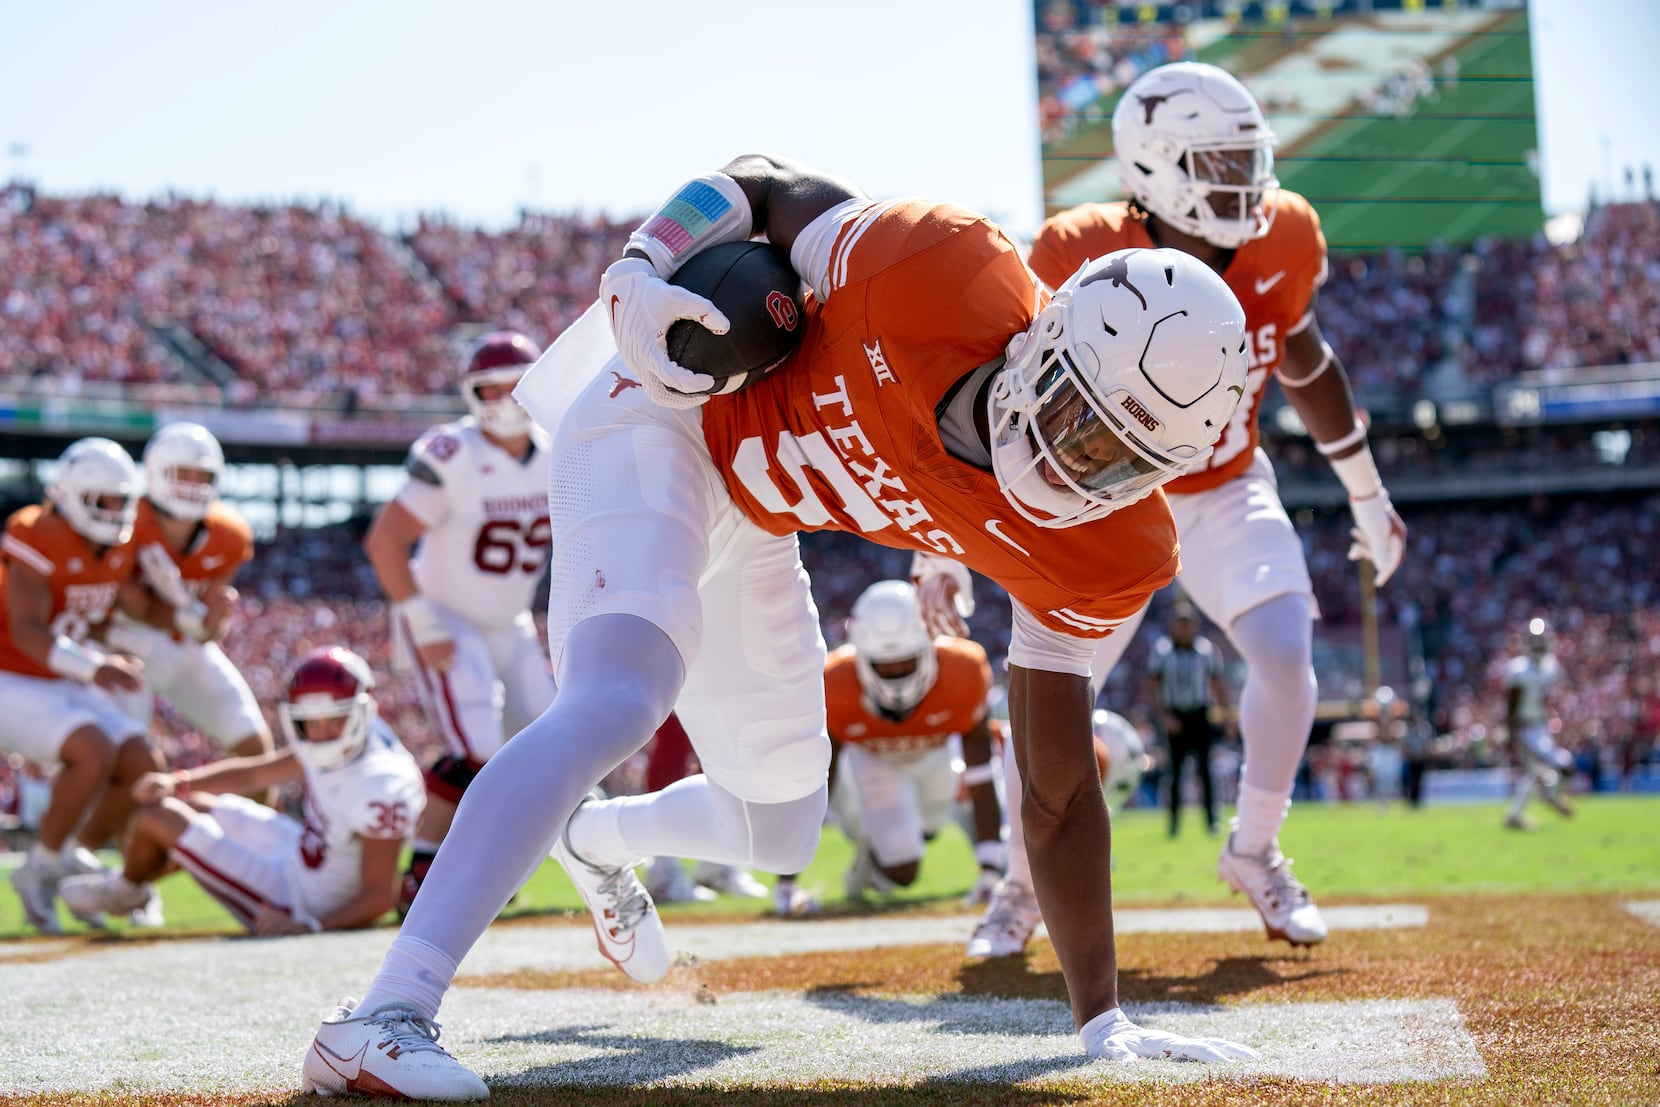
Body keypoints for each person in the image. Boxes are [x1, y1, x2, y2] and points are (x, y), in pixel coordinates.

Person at [303, 153, 1257, 1099]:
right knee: (620, 697)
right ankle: (384, 1014)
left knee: (779, 828)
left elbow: (1054, 789)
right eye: (1075, 413)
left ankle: (595, 838)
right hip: (667, 420)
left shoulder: (1112, 547)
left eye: (1117, 458)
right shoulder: (937, 266)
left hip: (758, 513)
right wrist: (643, 263)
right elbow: (760, 183)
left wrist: (1101, 1019)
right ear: (1045, 335)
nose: (1072, 465)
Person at [944, 60, 1407, 956]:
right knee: (1050, 697)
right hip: (1106, 502)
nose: (1246, 187)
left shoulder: (1285, 237)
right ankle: (1018, 883)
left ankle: (1256, 847)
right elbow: (995, 393)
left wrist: (1368, 490)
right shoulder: (1073, 249)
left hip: (1229, 482)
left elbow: (1304, 361)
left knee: (1284, 650)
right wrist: (942, 545)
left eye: (1248, 162)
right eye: (1220, 167)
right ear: (1155, 170)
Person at [360, 331, 558, 915]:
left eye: (513, 385)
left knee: (563, 740)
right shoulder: (456, 453)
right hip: (448, 620)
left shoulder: (558, 448)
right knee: (478, 747)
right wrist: (424, 623)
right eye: (488, 389)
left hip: (512, 622)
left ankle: (458, 863)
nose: (502, 399)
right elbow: (386, 540)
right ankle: (433, 870)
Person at [61, 645, 425, 934]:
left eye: (334, 721)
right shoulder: (361, 736)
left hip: (303, 900)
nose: (322, 732)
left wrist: (308, 925)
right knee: (191, 802)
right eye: (310, 723)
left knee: (160, 816)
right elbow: (256, 775)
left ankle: (124, 890)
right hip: (298, 853)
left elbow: (381, 895)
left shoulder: (382, 784)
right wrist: (179, 781)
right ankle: (131, 886)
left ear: (361, 712)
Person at [0, 438, 164, 933]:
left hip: (60, 678)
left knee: (142, 764)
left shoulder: (119, 547)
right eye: (103, 501)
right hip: (11, 675)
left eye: (121, 500)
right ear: (71, 497)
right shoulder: (35, 530)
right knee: (92, 749)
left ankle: (77, 858)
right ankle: (40, 868)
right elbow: (28, 629)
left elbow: (91, 616)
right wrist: (95, 667)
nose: (115, 512)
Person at [105, 423, 268, 786]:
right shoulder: (124, 523)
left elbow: (210, 629)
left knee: (256, 751)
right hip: (125, 646)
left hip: (186, 645)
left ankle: (251, 838)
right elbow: (135, 607)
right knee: (133, 762)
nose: (192, 483)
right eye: (183, 473)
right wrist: (181, 611)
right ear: (156, 472)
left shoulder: (229, 534)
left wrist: (209, 618)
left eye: (203, 475)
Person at [823, 580, 1004, 906]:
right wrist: (788, 879)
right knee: (902, 872)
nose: (896, 672)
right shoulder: (834, 681)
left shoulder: (963, 670)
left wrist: (989, 867)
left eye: (906, 661)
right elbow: (824, 773)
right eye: (885, 665)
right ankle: (869, 861)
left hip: (934, 757)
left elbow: (981, 770)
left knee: (931, 829)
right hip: (874, 762)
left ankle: (896, 836)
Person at [1146, 601, 1228, 838]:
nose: (1184, 629)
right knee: (1175, 772)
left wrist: (1225, 714)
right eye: (1180, 624)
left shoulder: (1206, 650)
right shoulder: (1162, 651)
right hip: (1175, 716)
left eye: (1188, 624)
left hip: (1200, 715)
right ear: (1173, 626)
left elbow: (1216, 683)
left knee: (1206, 770)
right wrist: (1164, 716)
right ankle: (1173, 824)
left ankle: (1212, 822)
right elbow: (1152, 684)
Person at [1502, 618, 1574, 830]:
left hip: (1540, 727)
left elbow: (1546, 699)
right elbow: (1512, 705)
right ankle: (1551, 793)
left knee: (1533, 774)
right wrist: (1512, 733)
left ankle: (1514, 816)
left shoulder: (1550, 666)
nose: (1538, 647)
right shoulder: (1519, 670)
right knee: (1564, 764)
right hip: (1525, 729)